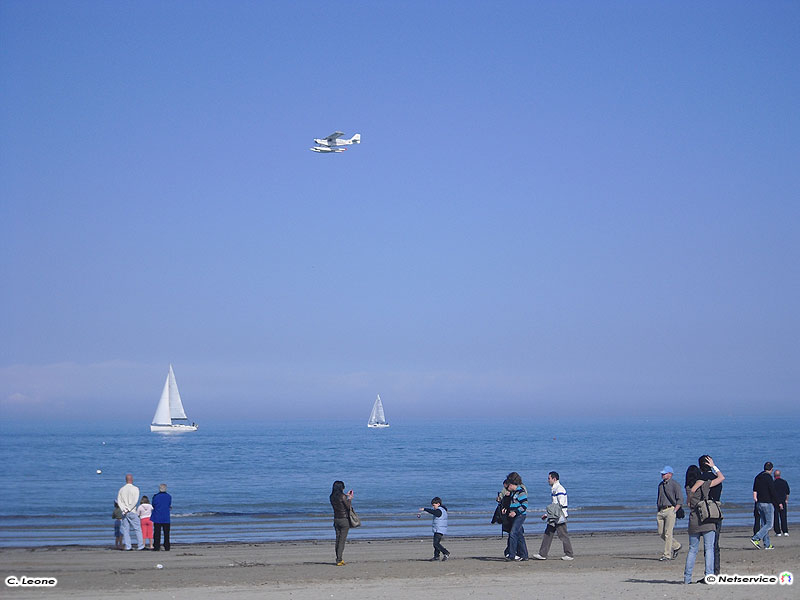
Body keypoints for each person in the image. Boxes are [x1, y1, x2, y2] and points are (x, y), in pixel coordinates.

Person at [683, 460, 724, 584]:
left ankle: (687, 578)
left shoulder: (688, 488)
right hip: (707, 519)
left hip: (694, 520)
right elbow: (721, 477)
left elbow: (689, 503)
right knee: (709, 549)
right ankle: (709, 575)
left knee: (692, 550)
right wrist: (713, 466)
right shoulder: (704, 485)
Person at [533, 471, 574, 561]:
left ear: (554, 479)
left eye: (549, 478)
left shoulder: (559, 489)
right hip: (554, 515)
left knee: (563, 535)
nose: (548, 480)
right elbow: (555, 505)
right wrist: (548, 515)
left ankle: (569, 554)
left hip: (559, 516)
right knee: (548, 533)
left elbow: (560, 504)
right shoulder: (554, 489)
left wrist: (551, 515)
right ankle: (543, 554)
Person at [697, 455, 722, 574]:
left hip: (705, 511)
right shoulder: (715, 477)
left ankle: (709, 572)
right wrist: (714, 467)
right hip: (716, 510)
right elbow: (722, 477)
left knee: (707, 545)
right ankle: (715, 571)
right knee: (715, 544)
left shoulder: (701, 478)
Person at [655, 466, 683, 561]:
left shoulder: (675, 485)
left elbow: (680, 499)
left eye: (664, 473)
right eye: (662, 473)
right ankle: (676, 546)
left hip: (670, 510)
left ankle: (667, 555)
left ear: (670, 474)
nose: (662, 475)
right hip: (661, 511)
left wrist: (675, 510)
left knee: (668, 533)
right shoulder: (660, 485)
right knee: (661, 533)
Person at [751, 462, 780, 550]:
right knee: (769, 524)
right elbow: (772, 490)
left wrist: (755, 499)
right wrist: (778, 502)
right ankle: (756, 538)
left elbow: (754, 490)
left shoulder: (758, 477)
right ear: (771, 469)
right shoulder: (768, 477)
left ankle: (767, 544)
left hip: (759, 503)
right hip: (767, 503)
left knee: (764, 524)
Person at [503, 472, 528, 561]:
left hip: (520, 515)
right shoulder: (513, 493)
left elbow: (525, 505)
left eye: (508, 485)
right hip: (514, 516)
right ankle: (524, 555)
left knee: (513, 533)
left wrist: (516, 512)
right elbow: (511, 504)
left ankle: (512, 555)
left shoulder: (520, 492)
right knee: (519, 534)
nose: (506, 488)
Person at [116, 474, 144, 551]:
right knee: (137, 529)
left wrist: (124, 509)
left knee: (126, 530)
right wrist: (128, 509)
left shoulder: (121, 489)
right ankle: (140, 546)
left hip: (124, 512)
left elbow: (119, 501)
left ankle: (128, 546)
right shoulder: (135, 488)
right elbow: (135, 501)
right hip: (132, 511)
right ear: (132, 479)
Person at [418, 497, 450, 561]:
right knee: (436, 544)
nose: (433, 507)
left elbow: (433, 512)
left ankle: (446, 552)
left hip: (439, 529)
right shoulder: (442, 510)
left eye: (434, 505)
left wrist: (425, 509)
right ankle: (436, 556)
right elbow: (433, 512)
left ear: (438, 504)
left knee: (436, 543)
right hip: (439, 529)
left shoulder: (439, 510)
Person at [330, 481, 353, 566]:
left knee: (338, 539)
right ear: (341, 488)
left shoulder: (331, 497)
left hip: (336, 519)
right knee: (342, 540)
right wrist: (349, 498)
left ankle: (338, 558)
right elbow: (348, 507)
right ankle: (339, 559)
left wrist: (346, 496)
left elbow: (339, 502)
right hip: (344, 520)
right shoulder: (342, 496)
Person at [151, 483, 172, 551]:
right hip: (166, 517)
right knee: (166, 533)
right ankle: (167, 546)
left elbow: (153, 504)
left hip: (157, 517)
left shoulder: (156, 497)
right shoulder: (169, 496)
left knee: (157, 533)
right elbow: (169, 505)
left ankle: (157, 546)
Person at [773, 470, 790, 536]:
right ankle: (785, 531)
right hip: (783, 501)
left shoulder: (773, 483)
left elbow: (772, 493)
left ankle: (778, 532)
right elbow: (787, 492)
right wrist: (786, 500)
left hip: (775, 502)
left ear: (774, 476)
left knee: (775, 517)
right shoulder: (784, 482)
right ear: (780, 475)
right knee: (783, 517)